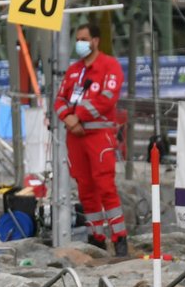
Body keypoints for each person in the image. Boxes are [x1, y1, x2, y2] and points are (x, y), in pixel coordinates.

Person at [55, 22, 129, 255]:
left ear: (96, 41)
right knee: (85, 187)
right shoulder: (74, 71)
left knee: (105, 185)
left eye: (84, 39)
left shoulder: (110, 66)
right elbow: (59, 99)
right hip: (75, 137)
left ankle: (119, 238)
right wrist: (68, 118)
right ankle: (95, 235)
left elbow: (107, 98)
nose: (80, 44)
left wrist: (78, 116)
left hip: (99, 136)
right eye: (78, 39)